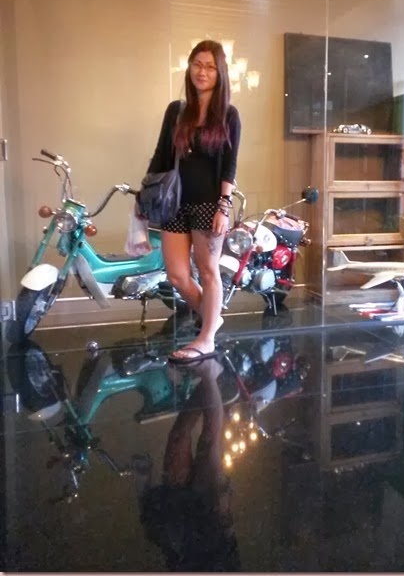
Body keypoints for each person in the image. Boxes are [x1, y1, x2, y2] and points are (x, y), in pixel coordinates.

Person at [146, 40, 241, 363]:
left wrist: (224, 207)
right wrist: (144, 197)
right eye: (197, 64)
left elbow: (229, 166)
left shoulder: (228, 115)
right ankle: (212, 320)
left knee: (208, 271)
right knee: (176, 275)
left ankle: (206, 339)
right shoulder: (176, 111)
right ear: (189, 68)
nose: (202, 72)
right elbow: (161, 155)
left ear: (220, 73)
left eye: (210, 67)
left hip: (208, 204)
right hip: (174, 203)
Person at [139, 358, 241, 571]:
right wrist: (225, 515)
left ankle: (211, 377)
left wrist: (144, 484)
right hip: (212, 523)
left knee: (178, 436)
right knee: (209, 442)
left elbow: (170, 558)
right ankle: (209, 372)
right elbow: (231, 554)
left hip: (178, 514)